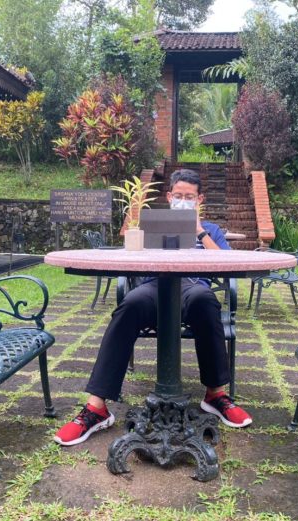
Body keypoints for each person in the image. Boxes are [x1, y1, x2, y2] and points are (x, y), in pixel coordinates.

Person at [54, 169, 252, 446]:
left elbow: (227, 263)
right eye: (178, 195)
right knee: (129, 305)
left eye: (189, 197)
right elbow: (132, 256)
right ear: (169, 196)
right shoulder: (152, 225)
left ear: (199, 200)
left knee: (206, 300)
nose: (183, 201)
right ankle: (96, 408)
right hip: (154, 286)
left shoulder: (212, 230)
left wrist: (199, 230)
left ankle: (216, 395)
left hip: (193, 286)